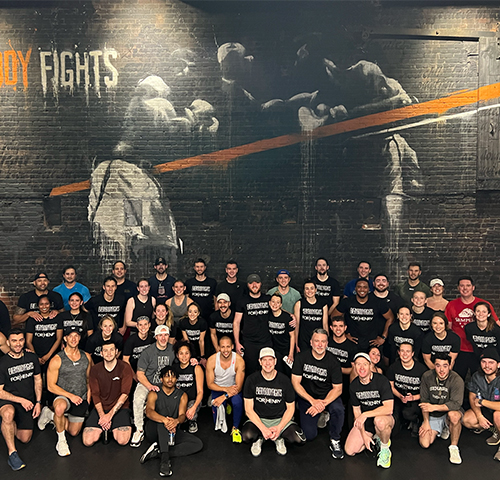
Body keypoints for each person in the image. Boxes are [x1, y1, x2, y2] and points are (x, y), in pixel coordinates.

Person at [139, 366, 203, 477]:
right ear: (161, 379)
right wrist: (164, 420)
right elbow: (149, 412)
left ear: (176, 379)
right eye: (167, 376)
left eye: (173, 376)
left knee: (197, 444)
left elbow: (182, 415)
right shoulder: (154, 393)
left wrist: (176, 421)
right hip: (154, 430)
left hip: (172, 430)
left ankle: (158, 452)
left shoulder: (182, 395)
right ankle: (164, 461)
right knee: (163, 419)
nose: (170, 379)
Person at [291, 329, 344, 459]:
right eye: (316, 341)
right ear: (311, 342)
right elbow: (295, 383)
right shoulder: (301, 357)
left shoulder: (333, 361)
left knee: (338, 409)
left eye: (323, 341)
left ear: (327, 344)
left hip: (327, 397)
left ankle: (335, 439)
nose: (320, 345)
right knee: (309, 435)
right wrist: (313, 401)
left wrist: (322, 404)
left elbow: (338, 389)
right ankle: (318, 414)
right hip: (307, 397)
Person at [242, 347, 305, 456]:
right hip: (259, 419)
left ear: (275, 361)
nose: (267, 363)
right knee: (247, 436)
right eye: (264, 360)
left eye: (270, 360)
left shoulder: (285, 381)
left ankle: (278, 437)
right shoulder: (251, 380)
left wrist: (279, 428)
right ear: (260, 362)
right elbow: (248, 409)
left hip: (280, 419)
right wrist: (263, 429)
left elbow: (291, 408)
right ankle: (259, 438)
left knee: (299, 440)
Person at [40, 326, 92, 456]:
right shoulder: (57, 359)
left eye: (76, 336)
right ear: (65, 338)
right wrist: (70, 396)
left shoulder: (86, 357)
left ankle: (49, 415)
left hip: (80, 397)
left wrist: (88, 398)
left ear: (79, 338)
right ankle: (61, 441)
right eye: (70, 336)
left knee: (74, 432)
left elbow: (89, 379)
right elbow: (50, 386)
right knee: (59, 408)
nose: (73, 339)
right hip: (63, 396)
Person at [0, 329, 42, 471]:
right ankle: (12, 454)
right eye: (14, 341)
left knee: (25, 438)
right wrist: (20, 400)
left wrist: (38, 402)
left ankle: (5, 425)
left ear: (24, 341)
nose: (18, 344)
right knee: (8, 414)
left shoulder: (32, 357)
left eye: (20, 340)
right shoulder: (2, 363)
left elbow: (38, 380)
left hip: (27, 401)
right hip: (9, 399)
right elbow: (0, 392)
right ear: (8, 343)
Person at [344, 352, 394, 468]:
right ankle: (375, 437)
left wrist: (365, 414)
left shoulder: (381, 380)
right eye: (358, 364)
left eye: (365, 364)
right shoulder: (354, 386)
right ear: (354, 366)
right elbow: (357, 413)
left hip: (384, 418)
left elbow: (389, 408)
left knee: (379, 421)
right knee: (349, 450)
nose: (361, 367)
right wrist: (364, 435)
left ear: (370, 366)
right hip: (366, 422)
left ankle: (385, 448)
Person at [445, 276, 499, 379]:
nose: (465, 288)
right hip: (460, 349)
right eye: (462, 286)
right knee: (458, 378)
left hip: (480, 350)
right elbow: (448, 328)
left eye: (468, 285)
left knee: (481, 378)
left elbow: (496, 323)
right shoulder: (451, 305)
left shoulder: (484, 304)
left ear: (473, 287)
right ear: (458, 288)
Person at [82, 340, 134, 446]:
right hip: (100, 407)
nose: (109, 353)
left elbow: (125, 394)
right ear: (101, 353)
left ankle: (109, 426)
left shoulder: (125, 367)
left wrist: (109, 415)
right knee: (88, 441)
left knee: (122, 440)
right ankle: (105, 427)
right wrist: (103, 416)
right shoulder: (95, 369)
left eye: (111, 350)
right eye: (105, 351)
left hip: (120, 408)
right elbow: (95, 394)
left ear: (116, 352)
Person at [131, 325, 175, 448]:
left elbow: (182, 362)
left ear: (169, 336)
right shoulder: (148, 352)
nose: (163, 338)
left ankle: (172, 427)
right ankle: (139, 429)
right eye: (160, 335)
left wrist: (193, 360)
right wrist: (150, 386)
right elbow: (140, 374)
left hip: (166, 384)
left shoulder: (173, 350)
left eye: (165, 335)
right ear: (155, 337)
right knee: (138, 398)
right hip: (147, 382)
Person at [418, 352, 464, 465]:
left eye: (445, 366)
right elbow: (424, 402)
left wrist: (434, 407)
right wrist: (426, 422)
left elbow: (456, 404)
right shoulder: (427, 376)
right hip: (434, 414)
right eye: (438, 366)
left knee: (454, 416)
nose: (441, 370)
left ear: (450, 366)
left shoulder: (456, 379)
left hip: (449, 412)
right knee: (425, 443)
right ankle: (443, 427)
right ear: (434, 366)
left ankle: (454, 447)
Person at [332, 279, 394, 352]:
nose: (362, 289)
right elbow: (334, 316)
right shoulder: (347, 302)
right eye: (359, 287)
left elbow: (390, 318)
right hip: (352, 342)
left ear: (369, 289)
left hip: (372, 343)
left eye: (365, 287)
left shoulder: (377, 302)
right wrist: (344, 334)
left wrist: (383, 337)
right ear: (355, 289)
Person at [206, 336, 245, 443]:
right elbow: (209, 384)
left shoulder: (239, 360)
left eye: (228, 346)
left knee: (237, 402)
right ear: (218, 347)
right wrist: (225, 390)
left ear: (232, 346)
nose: (225, 350)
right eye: (222, 347)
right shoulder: (212, 360)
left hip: (233, 389)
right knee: (217, 422)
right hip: (218, 388)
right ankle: (226, 405)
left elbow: (239, 387)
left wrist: (225, 396)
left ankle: (235, 428)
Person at [462, 348, 500, 459]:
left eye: (491, 362)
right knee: (466, 420)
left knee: (497, 415)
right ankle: (495, 430)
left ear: (498, 365)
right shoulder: (477, 376)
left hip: (497, 411)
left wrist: (482, 402)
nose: (487, 366)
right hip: (486, 410)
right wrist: (479, 416)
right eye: (484, 362)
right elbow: (472, 397)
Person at [234, 274, 272, 375]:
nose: (254, 285)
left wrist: (291, 315)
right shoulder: (242, 301)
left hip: (266, 341)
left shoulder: (268, 299)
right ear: (248, 285)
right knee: (249, 370)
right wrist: (237, 343)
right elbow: (236, 322)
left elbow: (278, 309)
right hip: (249, 342)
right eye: (251, 283)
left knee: (267, 369)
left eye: (257, 283)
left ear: (261, 284)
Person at [386, 342, 426, 437]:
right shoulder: (393, 367)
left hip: (416, 399)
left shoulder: (421, 369)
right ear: (399, 352)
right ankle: (402, 422)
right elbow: (390, 386)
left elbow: (427, 392)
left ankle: (416, 421)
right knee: (394, 431)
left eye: (408, 351)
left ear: (412, 353)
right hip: (398, 397)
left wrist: (413, 398)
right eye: (402, 351)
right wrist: (400, 396)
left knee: (407, 413)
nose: (405, 354)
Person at [173, 341, 204, 433]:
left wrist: (194, 407)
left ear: (190, 354)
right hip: (179, 400)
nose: (184, 356)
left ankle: (192, 421)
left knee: (190, 411)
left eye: (186, 353)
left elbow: (200, 392)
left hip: (192, 400)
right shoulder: (174, 368)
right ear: (177, 355)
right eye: (181, 353)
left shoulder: (196, 368)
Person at [25, 295, 63, 370]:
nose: (44, 306)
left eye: (47, 304)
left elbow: (59, 339)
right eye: (41, 304)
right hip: (36, 353)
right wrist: (35, 357)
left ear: (50, 305)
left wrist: (48, 355)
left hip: (53, 354)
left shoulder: (57, 318)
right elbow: (28, 341)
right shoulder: (32, 320)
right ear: (38, 306)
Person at [294, 281, 328, 353]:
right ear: (304, 291)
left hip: (318, 339)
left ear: (315, 290)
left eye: (312, 288)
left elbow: (325, 325)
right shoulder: (299, 303)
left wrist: (326, 342)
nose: (309, 291)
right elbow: (297, 325)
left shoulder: (323, 304)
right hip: (303, 339)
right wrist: (296, 343)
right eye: (307, 289)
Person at [268, 293, 295, 374]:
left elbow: (292, 336)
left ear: (281, 305)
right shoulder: (267, 315)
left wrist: (291, 353)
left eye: (278, 302)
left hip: (285, 349)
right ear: (269, 303)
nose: (275, 304)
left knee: (287, 372)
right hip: (274, 350)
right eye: (273, 302)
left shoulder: (287, 318)